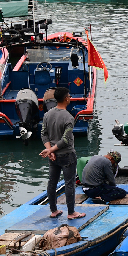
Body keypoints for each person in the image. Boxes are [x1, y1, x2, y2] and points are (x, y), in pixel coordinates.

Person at [40, 87, 85, 219]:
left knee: (52, 182)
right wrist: (51, 150)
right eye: (69, 96)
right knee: (69, 183)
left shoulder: (47, 114)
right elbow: (66, 140)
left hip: (53, 156)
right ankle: (71, 212)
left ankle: (54, 210)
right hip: (67, 155)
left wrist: (50, 150)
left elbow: (44, 134)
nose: (70, 98)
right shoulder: (69, 118)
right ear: (66, 99)